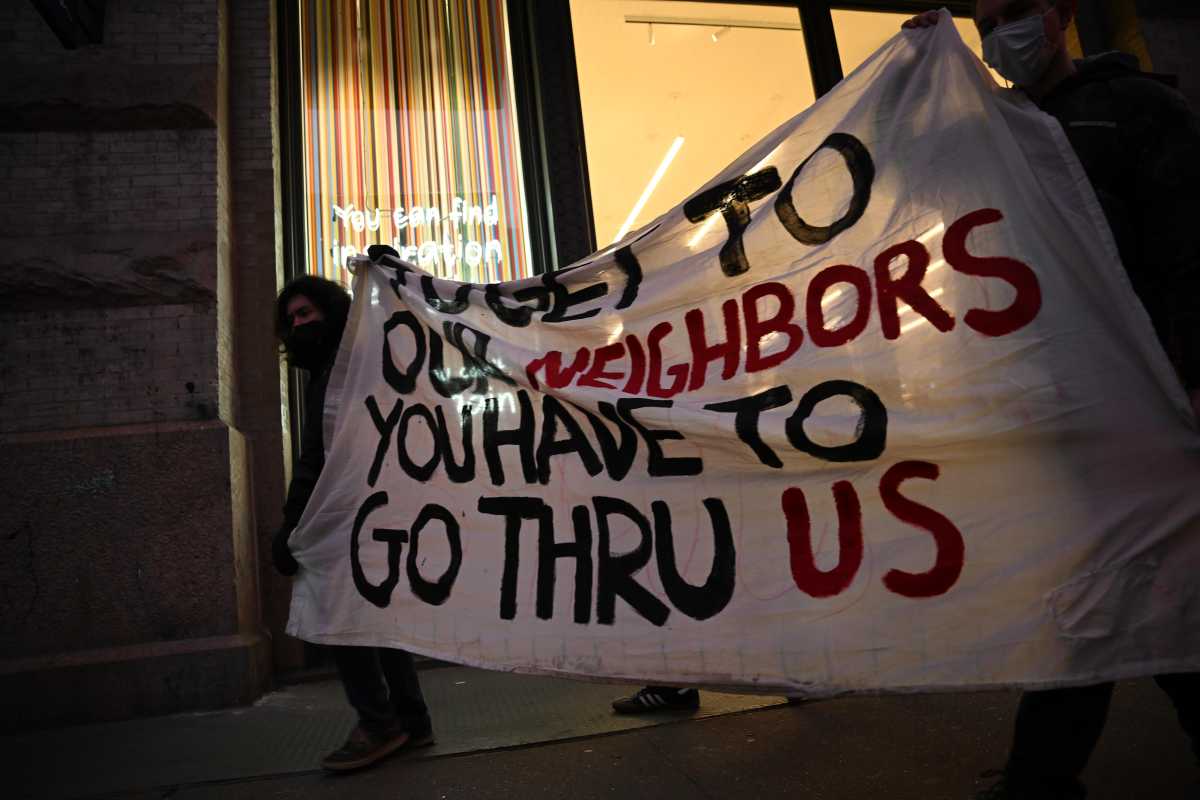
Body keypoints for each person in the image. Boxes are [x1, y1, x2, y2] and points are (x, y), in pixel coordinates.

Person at [903, 2, 1200, 798]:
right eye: (987, 21)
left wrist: (1187, 383)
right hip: (1062, 414)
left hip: (1149, 405)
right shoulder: (992, 129)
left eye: (1017, 14)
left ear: (1062, 15)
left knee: (1140, 589)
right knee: (1106, 588)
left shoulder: (1138, 110)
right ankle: (1042, 774)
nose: (1004, 35)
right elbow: (905, 184)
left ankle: (1041, 776)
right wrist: (913, 72)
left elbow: (1187, 256)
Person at [273, 274, 435, 772]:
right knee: (374, 619)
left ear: (331, 310)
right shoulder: (341, 368)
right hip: (367, 513)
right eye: (292, 319)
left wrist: (291, 525)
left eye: (306, 313)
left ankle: (381, 724)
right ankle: (410, 719)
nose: (299, 324)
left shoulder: (343, 370)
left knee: (342, 618)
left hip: (350, 516)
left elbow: (317, 460)